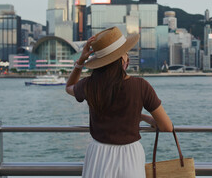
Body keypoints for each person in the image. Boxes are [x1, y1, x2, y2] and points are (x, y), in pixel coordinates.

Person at [65, 27, 173, 178]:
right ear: (122, 59)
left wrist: (81, 61)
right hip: (130, 156)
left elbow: (68, 87)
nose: (128, 56)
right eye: (126, 52)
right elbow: (167, 127)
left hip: (98, 154)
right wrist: (140, 117)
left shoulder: (90, 85)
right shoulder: (141, 86)